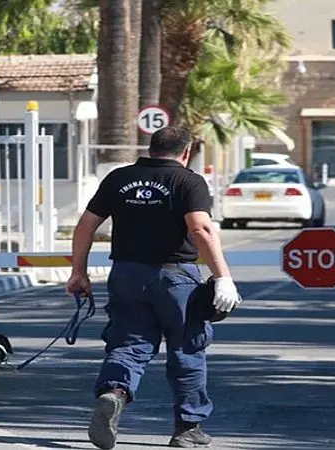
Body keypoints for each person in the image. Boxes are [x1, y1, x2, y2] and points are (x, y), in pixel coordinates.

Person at [65, 127, 240, 449]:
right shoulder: (189, 181)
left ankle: (113, 393)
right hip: (175, 278)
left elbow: (86, 224)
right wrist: (223, 277)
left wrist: (79, 272)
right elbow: (200, 228)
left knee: (129, 345)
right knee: (186, 349)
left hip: (126, 275)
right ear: (186, 152)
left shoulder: (119, 178)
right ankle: (188, 430)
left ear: (151, 148)